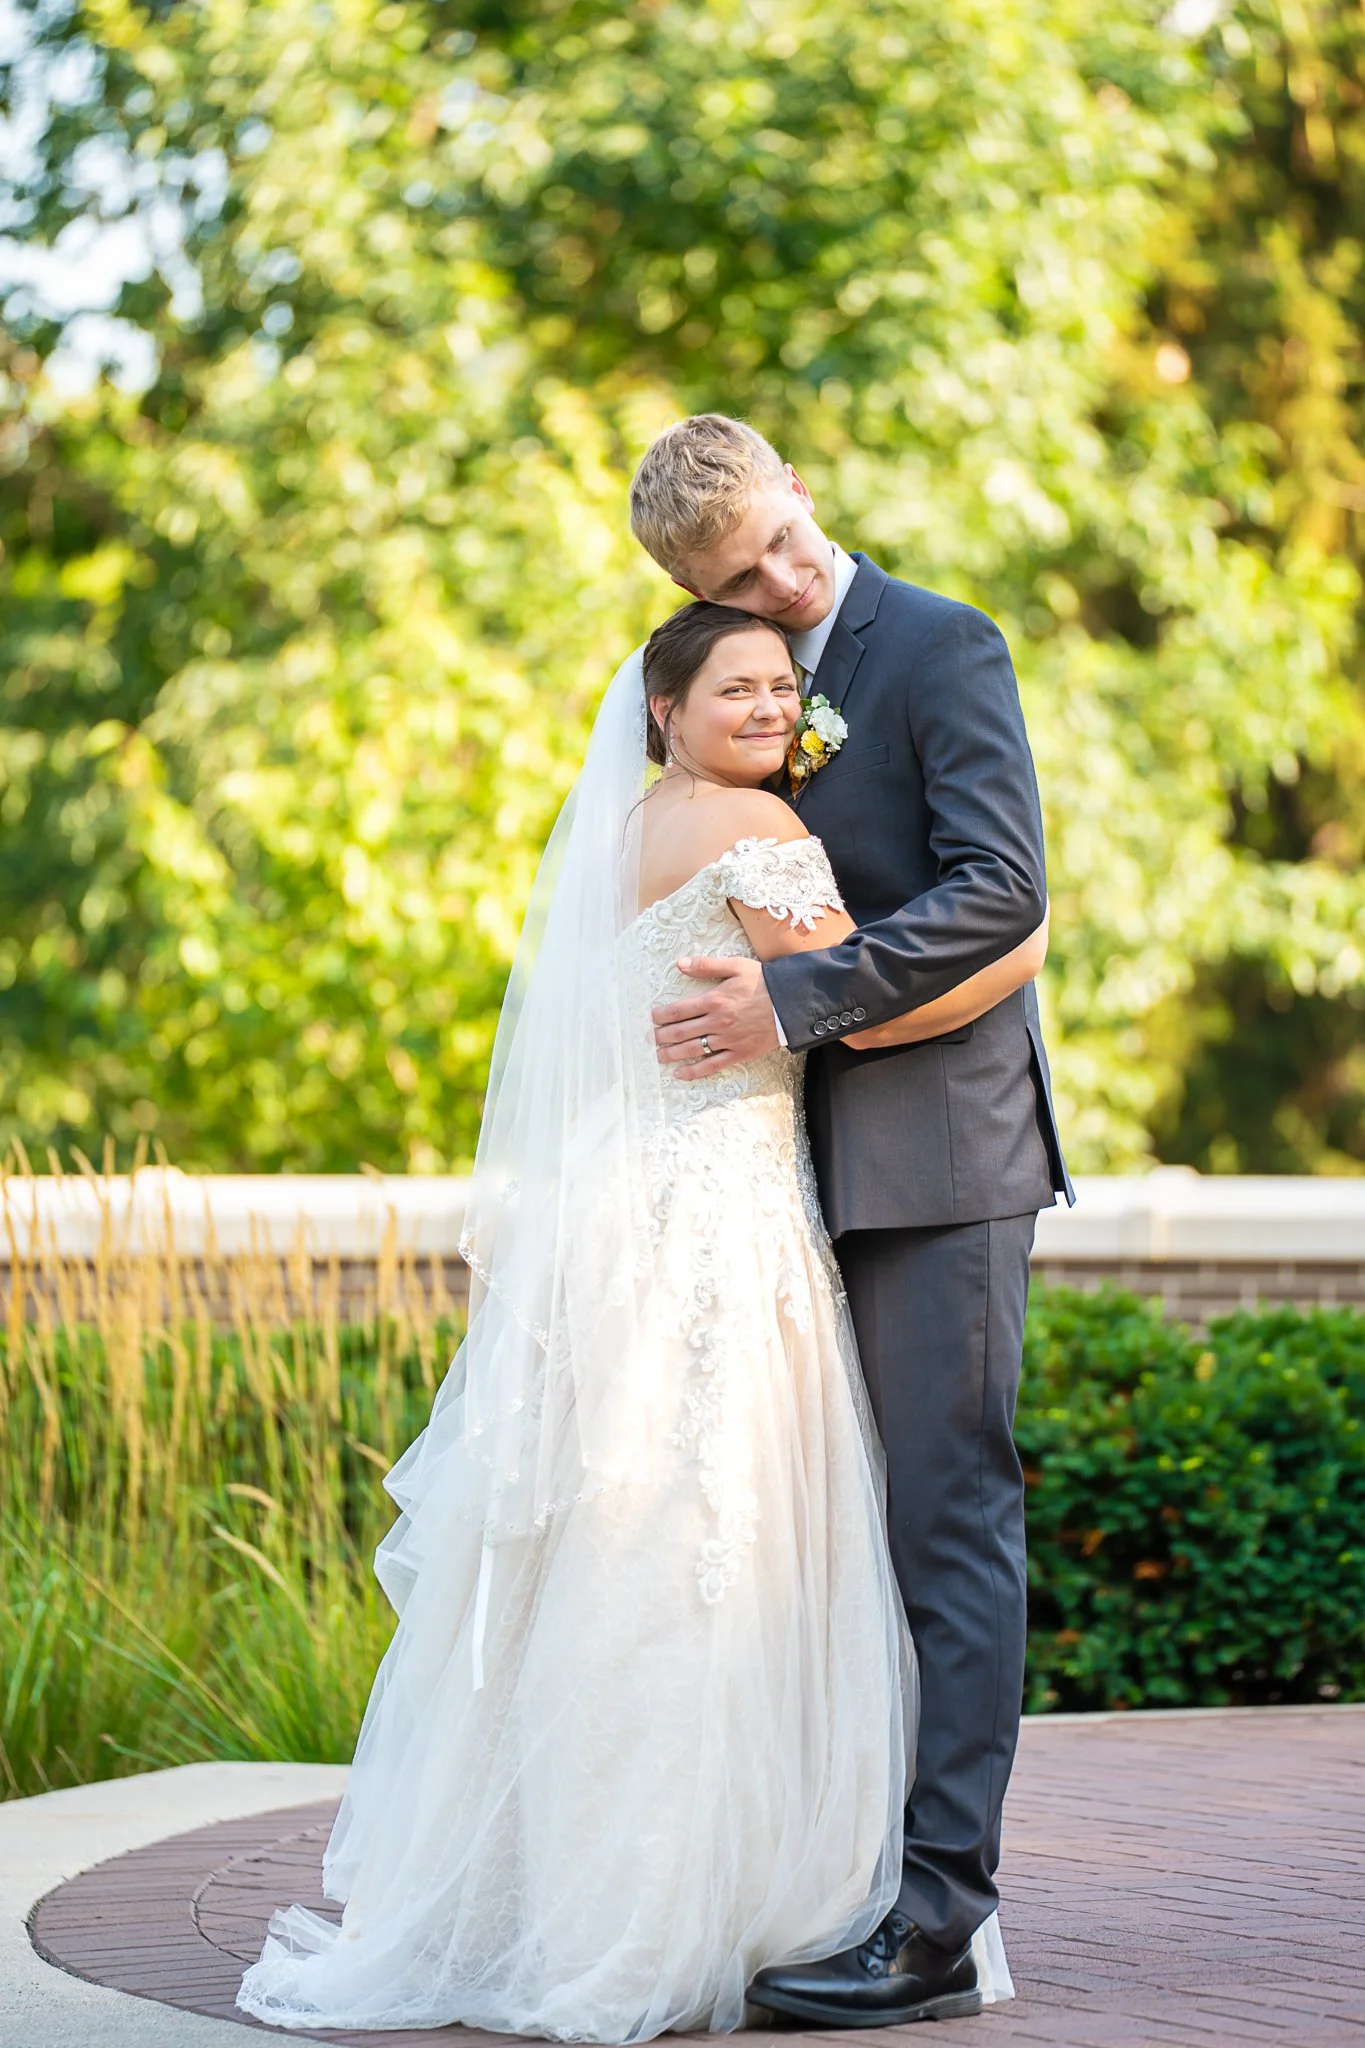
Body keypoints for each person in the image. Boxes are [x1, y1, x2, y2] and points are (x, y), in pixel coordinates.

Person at [236, 597, 1046, 2040]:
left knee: (621, 1565)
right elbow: (874, 1002)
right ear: (662, 709)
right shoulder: (755, 831)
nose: (769, 708)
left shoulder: (625, 831)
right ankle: (691, 1906)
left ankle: (577, 1900)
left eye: (784, 686)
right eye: (734, 686)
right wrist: (1018, 947)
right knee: (714, 1563)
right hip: (721, 1236)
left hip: (621, 1231)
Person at [632, 415, 1072, 2029]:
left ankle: (937, 1924)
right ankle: (814, 1874)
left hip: (941, 1160)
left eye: (778, 536)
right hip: (758, 1180)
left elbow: (1000, 890)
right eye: (736, 575)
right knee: (799, 1548)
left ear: (801, 488)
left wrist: (794, 1001)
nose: (781, 577)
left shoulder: (946, 643)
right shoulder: (708, 691)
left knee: (946, 1531)